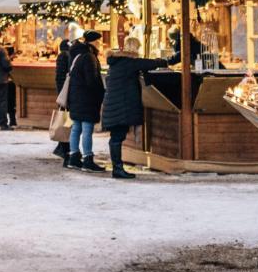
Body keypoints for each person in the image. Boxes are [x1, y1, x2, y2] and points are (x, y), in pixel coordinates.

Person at [102, 36, 175, 179]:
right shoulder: (129, 62)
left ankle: (117, 168)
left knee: (115, 137)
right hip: (119, 106)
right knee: (117, 137)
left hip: (113, 105)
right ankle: (117, 169)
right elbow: (150, 63)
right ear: (135, 48)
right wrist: (168, 61)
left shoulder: (117, 62)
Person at [64, 31, 106, 171]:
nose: (100, 43)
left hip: (76, 97)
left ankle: (73, 157)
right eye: (98, 41)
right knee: (87, 129)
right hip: (87, 98)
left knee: (76, 128)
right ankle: (88, 159)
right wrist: (100, 94)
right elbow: (92, 81)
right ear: (93, 42)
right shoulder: (89, 57)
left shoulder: (77, 54)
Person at [52, 35, 77, 158]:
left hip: (63, 94)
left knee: (66, 121)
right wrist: (64, 95)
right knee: (66, 121)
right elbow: (62, 78)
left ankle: (62, 146)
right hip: (65, 95)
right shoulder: (65, 56)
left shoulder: (62, 56)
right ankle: (63, 147)